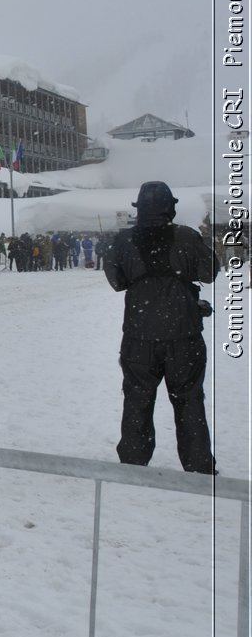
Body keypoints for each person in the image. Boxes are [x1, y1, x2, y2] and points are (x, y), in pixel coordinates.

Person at [104, 181, 220, 475]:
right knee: (189, 400)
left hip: (139, 335)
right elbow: (210, 271)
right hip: (183, 334)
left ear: (139, 209)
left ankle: (133, 462)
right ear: (171, 207)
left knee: (137, 398)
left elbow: (117, 282)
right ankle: (198, 466)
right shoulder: (186, 236)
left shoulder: (123, 241)